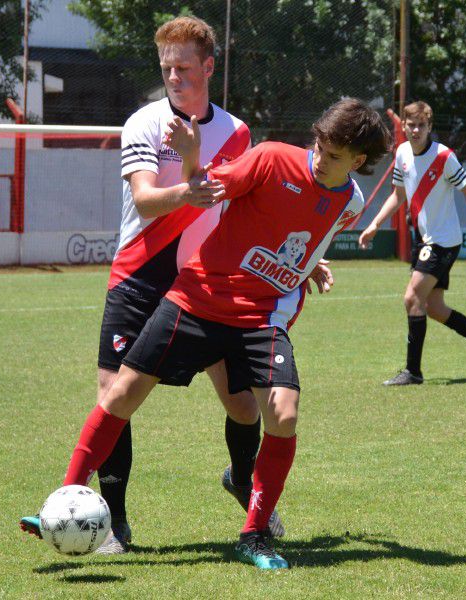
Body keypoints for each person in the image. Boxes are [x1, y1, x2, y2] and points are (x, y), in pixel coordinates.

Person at [54, 97, 391, 569]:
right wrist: (192, 157)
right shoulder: (272, 157)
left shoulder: (349, 201)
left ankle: (254, 534)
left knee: (283, 414)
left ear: (357, 162)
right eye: (318, 145)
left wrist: (309, 266)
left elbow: (307, 234)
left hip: (260, 318)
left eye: (333, 155)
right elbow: (205, 189)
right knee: (122, 392)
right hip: (197, 299)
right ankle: (63, 499)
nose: (319, 157)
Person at [19, 15, 291, 554]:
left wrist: (299, 258)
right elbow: (144, 200)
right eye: (166, 67)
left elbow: (241, 203)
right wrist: (190, 189)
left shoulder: (236, 132)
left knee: (242, 406)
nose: (173, 76)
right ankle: (114, 524)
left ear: (208, 67)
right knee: (113, 394)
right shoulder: (143, 123)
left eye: (184, 67)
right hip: (139, 276)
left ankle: (241, 478)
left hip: (208, 281)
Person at [358, 100, 466, 385]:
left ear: (429, 127)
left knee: (412, 298)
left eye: (421, 125)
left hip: (443, 241)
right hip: (425, 240)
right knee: (435, 308)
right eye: (411, 125)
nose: (416, 130)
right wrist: (375, 224)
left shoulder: (444, 157)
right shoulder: (402, 153)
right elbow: (398, 195)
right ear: (403, 126)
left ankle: (413, 372)